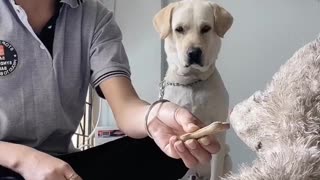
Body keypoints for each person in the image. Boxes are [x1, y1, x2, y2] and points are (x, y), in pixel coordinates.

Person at [0, 0, 221, 179]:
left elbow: (126, 106)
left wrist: (158, 115)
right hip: (5, 159)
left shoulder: (94, 17)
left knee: (168, 148)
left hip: (61, 165)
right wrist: (25, 160)